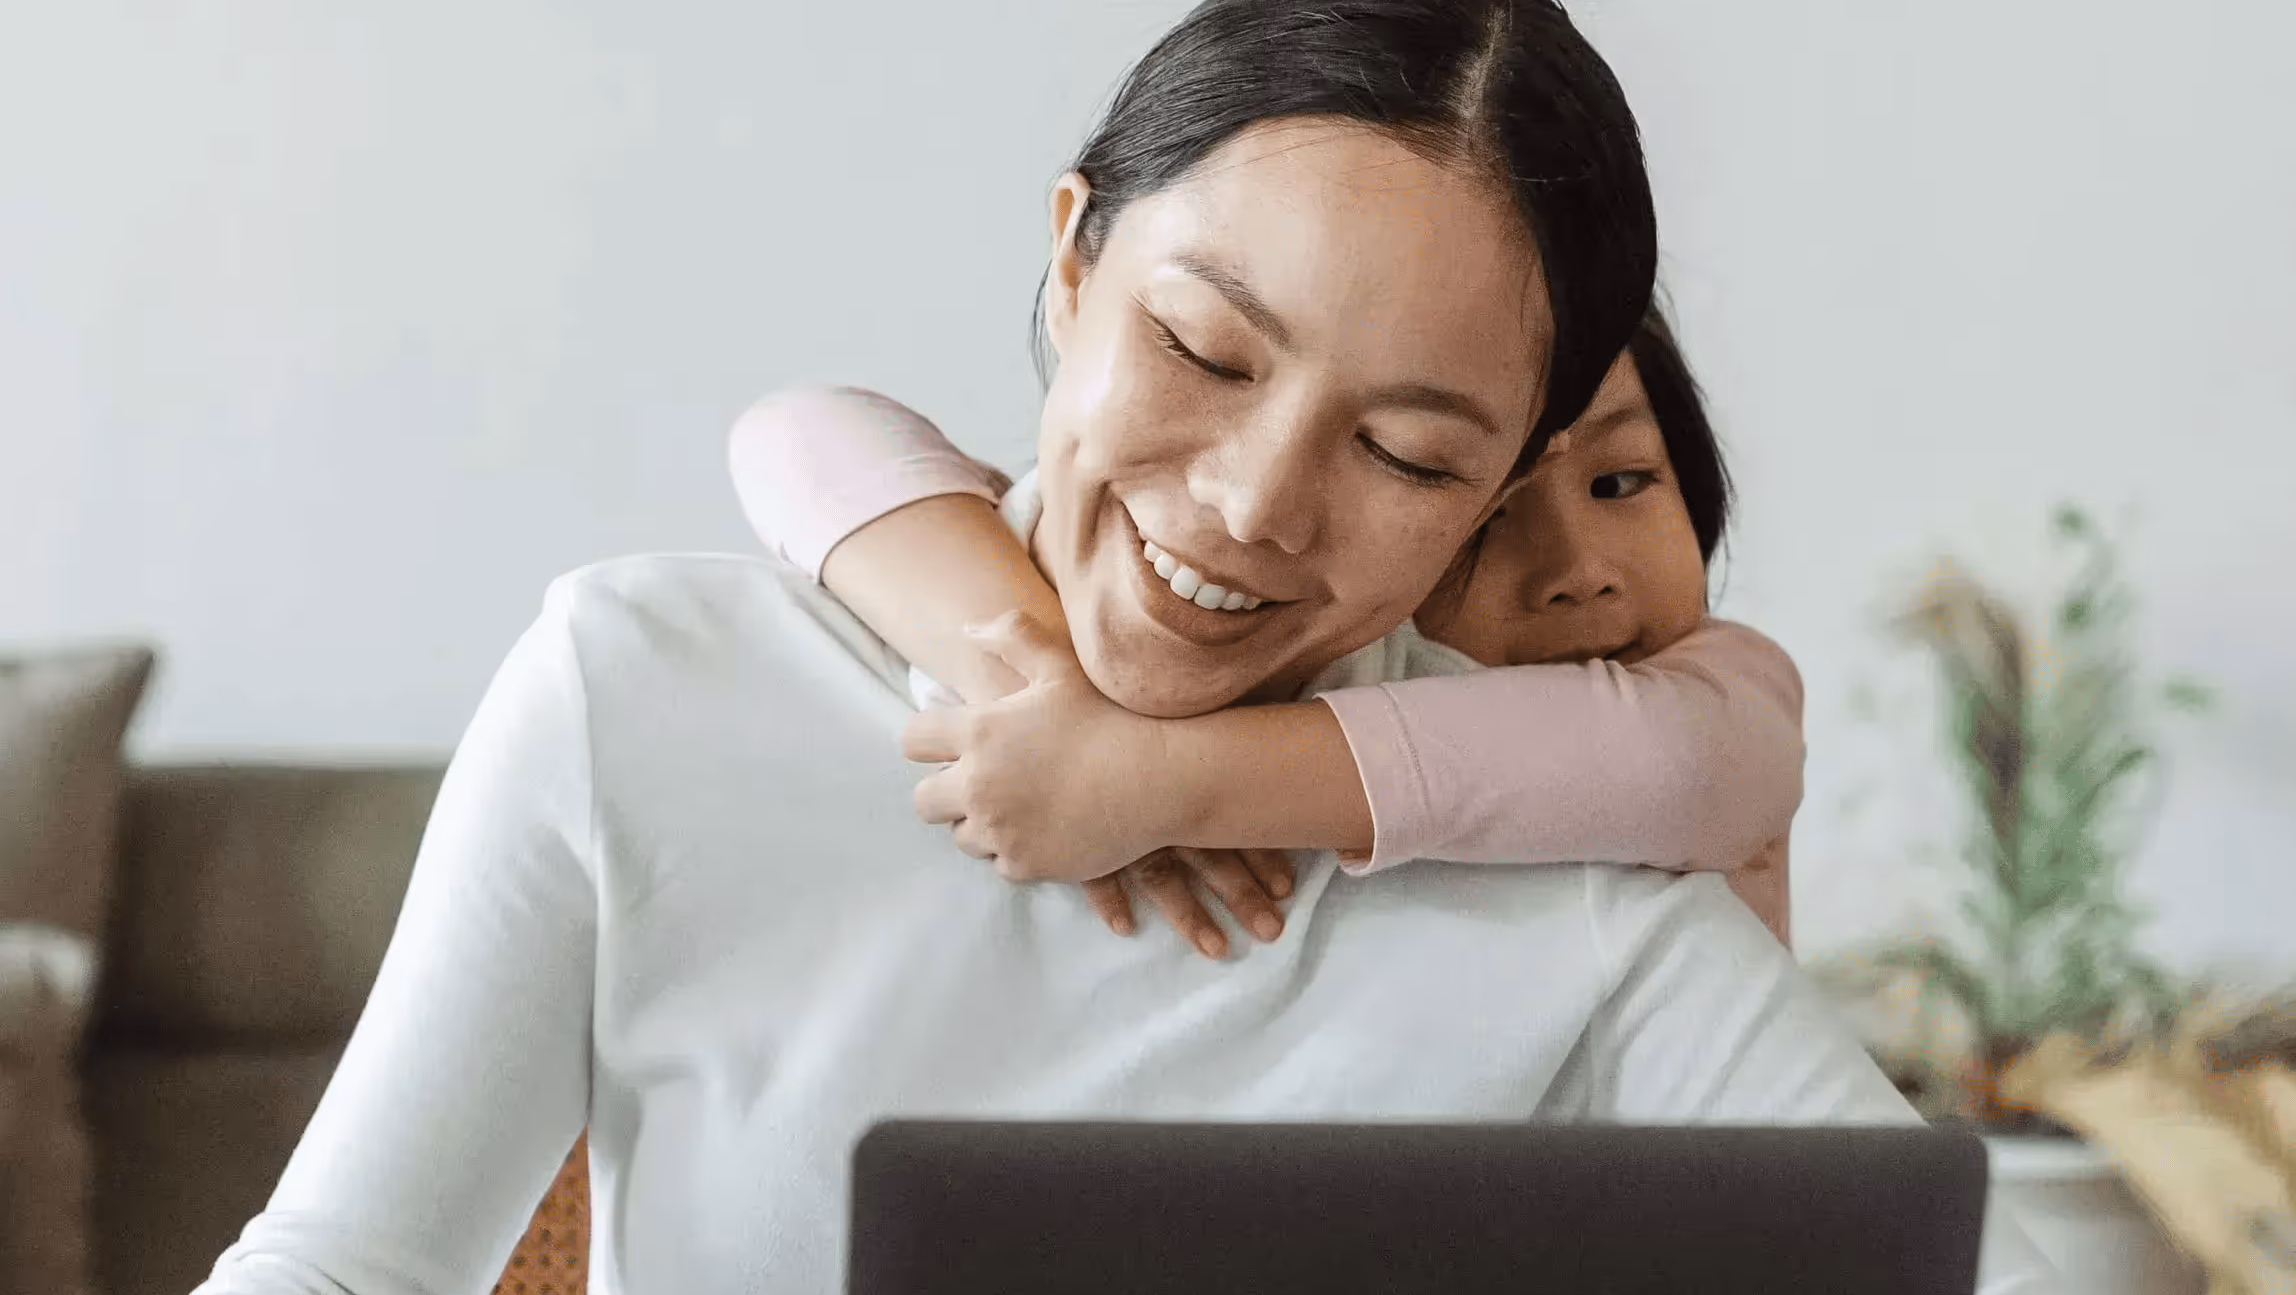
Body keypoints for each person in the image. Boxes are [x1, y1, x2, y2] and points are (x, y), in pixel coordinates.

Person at [0, 0, 2164, 1295]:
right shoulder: (648, 693)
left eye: (1407, 451)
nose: (1251, 503)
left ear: (1500, 496)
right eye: (1202, 350)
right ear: (1063, 266)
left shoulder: (1555, 867)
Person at [728, 302, 1801, 952]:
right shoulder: (1321, 672)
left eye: (1623, 480)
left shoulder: (1718, 693)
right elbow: (800, 433)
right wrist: (1042, 687)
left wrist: (1153, 773)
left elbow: (1678, 764)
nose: (1576, 573)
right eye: (1482, 516)